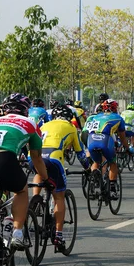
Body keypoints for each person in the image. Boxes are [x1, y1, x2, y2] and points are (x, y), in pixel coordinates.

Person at [0, 93, 51, 260]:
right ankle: (17, 232)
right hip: (4, 160)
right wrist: (45, 179)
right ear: (25, 110)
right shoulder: (31, 122)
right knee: (21, 191)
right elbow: (36, 158)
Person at [36, 104, 90, 250]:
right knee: (59, 196)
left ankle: (36, 203)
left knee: (39, 173)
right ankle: (58, 236)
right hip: (54, 158)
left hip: (35, 158)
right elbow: (80, 153)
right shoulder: (71, 127)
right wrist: (87, 168)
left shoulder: (45, 125)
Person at [85, 99, 133, 200]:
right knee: (112, 162)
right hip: (104, 139)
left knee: (96, 161)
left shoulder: (95, 116)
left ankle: (93, 184)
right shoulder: (118, 118)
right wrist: (128, 149)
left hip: (91, 140)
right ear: (115, 108)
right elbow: (123, 137)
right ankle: (112, 190)